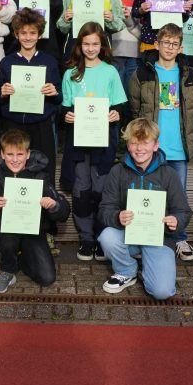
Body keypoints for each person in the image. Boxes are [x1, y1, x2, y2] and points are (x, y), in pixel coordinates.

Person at [129, 22, 193, 262]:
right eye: (165, 42)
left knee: (179, 196)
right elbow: (135, 108)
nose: (169, 47)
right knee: (147, 193)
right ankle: (144, 237)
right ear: (156, 44)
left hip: (179, 147)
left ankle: (179, 238)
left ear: (181, 48)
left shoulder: (190, 75)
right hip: (151, 149)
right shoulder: (142, 73)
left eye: (174, 44)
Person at [97, 119, 192, 301]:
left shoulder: (169, 174)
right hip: (127, 235)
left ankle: (149, 268)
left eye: (145, 143)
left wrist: (176, 220)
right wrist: (117, 217)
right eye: (134, 143)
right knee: (107, 236)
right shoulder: (117, 171)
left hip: (158, 239)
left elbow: (183, 211)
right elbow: (105, 209)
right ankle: (127, 270)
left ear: (156, 145)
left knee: (162, 292)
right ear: (128, 145)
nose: (139, 149)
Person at [60, 22, 129, 261]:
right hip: (78, 143)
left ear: (103, 45)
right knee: (81, 191)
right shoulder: (70, 73)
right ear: (79, 45)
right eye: (86, 44)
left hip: (103, 142)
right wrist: (66, 115)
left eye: (95, 44)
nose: (90, 48)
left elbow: (120, 104)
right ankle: (86, 239)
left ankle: (102, 237)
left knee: (101, 191)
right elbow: (65, 106)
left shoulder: (110, 71)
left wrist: (116, 113)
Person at [0, 128, 71, 293]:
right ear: (2, 154)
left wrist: (54, 205)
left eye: (20, 154)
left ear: (28, 154)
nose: (15, 159)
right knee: (9, 233)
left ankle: (21, 258)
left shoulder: (40, 176)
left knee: (47, 278)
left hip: (32, 228)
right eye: (10, 154)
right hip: (6, 229)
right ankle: (8, 270)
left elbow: (64, 211)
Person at [0, 8, 62, 176]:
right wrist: (2, 93)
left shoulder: (49, 61)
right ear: (16, 34)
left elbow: (59, 98)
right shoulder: (7, 62)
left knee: (45, 172)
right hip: (13, 125)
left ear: (39, 35)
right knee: (14, 172)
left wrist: (54, 92)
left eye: (32, 33)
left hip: (41, 125)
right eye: (23, 33)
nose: (28, 37)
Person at [111, 0, 142, 89]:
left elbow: (143, 33)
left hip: (135, 55)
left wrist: (129, 20)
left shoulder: (140, 0)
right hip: (113, 54)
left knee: (132, 93)